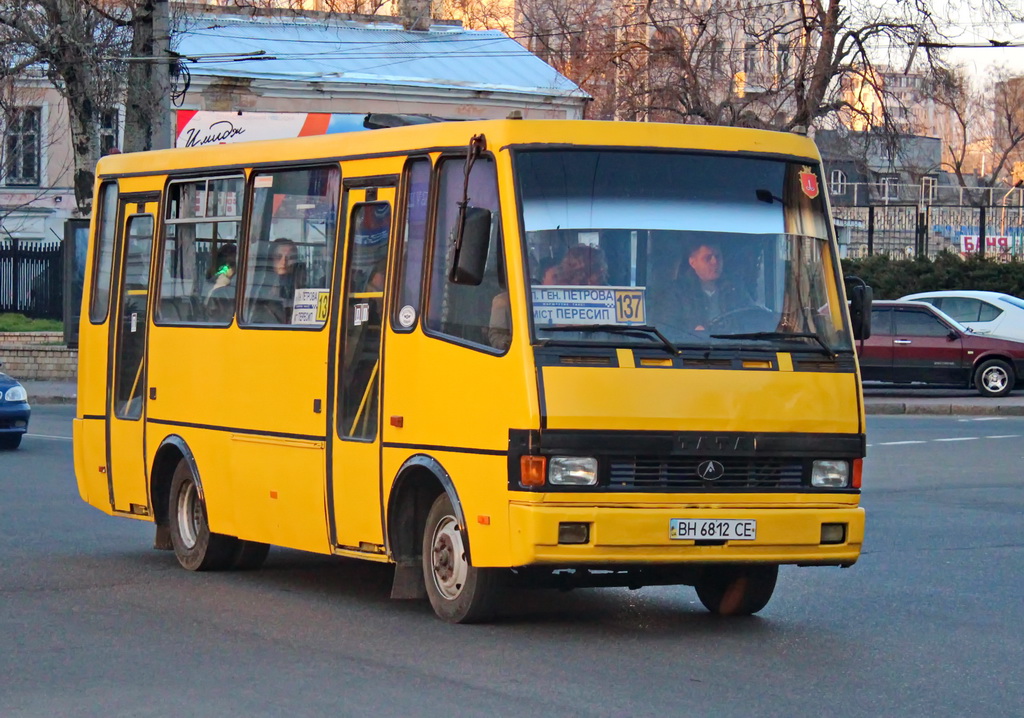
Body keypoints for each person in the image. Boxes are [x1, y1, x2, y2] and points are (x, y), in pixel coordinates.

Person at [663, 241, 752, 332]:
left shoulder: (735, 289)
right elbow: (666, 331)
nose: (715, 262)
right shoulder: (677, 292)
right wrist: (692, 334)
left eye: (717, 257)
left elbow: (751, 320)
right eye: (707, 258)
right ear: (693, 262)